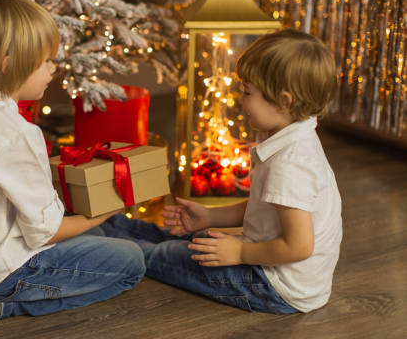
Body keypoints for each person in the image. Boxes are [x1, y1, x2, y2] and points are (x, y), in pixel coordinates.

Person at [0, 0, 145, 321]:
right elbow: (46, 232)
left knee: (96, 236)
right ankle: (1, 305)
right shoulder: (15, 132)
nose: (53, 69)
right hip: (1, 273)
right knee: (131, 261)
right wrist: (109, 208)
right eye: (45, 62)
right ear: (9, 65)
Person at [98, 28, 342, 314]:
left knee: (164, 254)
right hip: (266, 261)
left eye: (247, 92)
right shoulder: (287, 134)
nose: (241, 100)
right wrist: (211, 217)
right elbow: (263, 207)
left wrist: (240, 252)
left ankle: (92, 246)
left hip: (274, 286)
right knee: (181, 240)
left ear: (283, 101)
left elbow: (299, 247)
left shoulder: (291, 164)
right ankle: (102, 227)